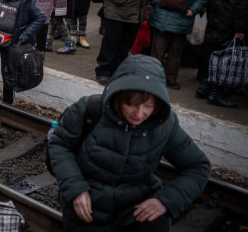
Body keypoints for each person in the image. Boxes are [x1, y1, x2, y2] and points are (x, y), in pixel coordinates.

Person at [48, 54, 210, 232]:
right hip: (88, 206)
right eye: (131, 104)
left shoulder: (164, 125)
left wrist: (165, 201)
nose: (139, 114)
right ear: (119, 97)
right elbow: (60, 145)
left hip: (135, 210)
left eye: (148, 106)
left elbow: (198, 167)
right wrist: (75, 188)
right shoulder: (89, 109)